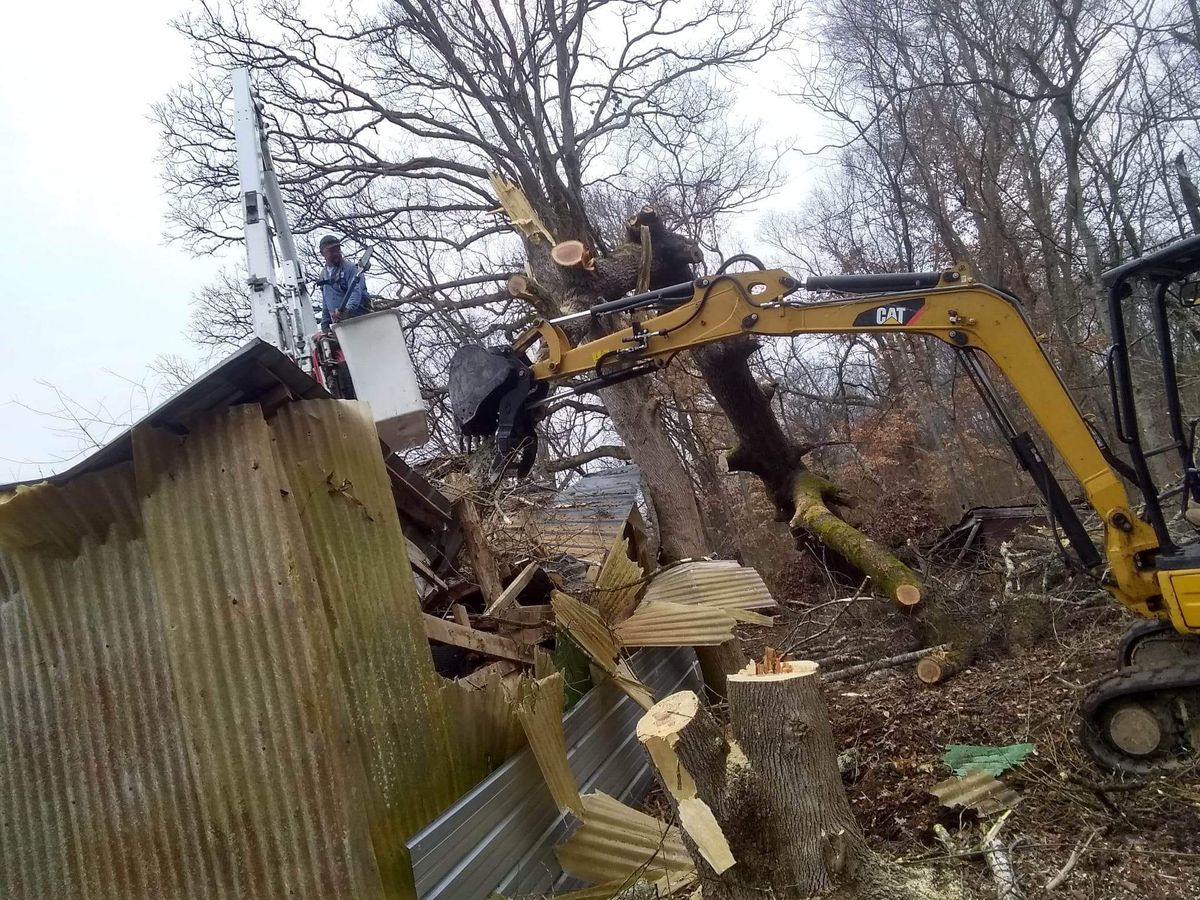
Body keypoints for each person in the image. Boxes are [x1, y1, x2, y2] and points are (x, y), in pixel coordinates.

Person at [314, 234, 369, 336]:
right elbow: (326, 301)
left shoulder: (350, 268)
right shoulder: (323, 275)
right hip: (341, 327)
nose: (336, 253)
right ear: (322, 253)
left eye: (338, 249)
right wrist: (324, 326)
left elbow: (355, 291)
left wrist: (346, 310)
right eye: (331, 251)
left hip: (359, 320)